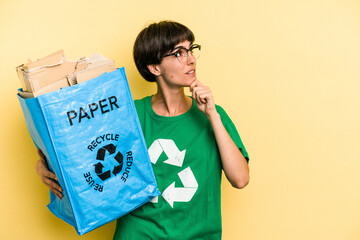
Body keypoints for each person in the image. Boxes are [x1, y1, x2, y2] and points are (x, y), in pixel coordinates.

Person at [36, 20, 250, 240]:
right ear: (154, 67)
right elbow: (85, 155)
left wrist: (212, 115)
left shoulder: (213, 114)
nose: (191, 59)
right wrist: (44, 166)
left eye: (191, 49)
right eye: (179, 53)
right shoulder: (128, 114)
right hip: (138, 234)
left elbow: (240, 179)